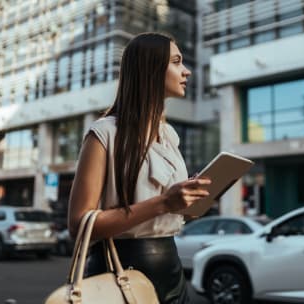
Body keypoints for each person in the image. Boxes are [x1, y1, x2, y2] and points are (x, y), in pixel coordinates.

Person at [67, 32, 211, 304]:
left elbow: (168, 214)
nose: (187, 71)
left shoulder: (169, 135)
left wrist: (187, 199)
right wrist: (164, 202)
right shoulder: (104, 133)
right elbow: (79, 224)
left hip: (172, 270)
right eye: (177, 62)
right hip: (120, 274)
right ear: (151, 69)